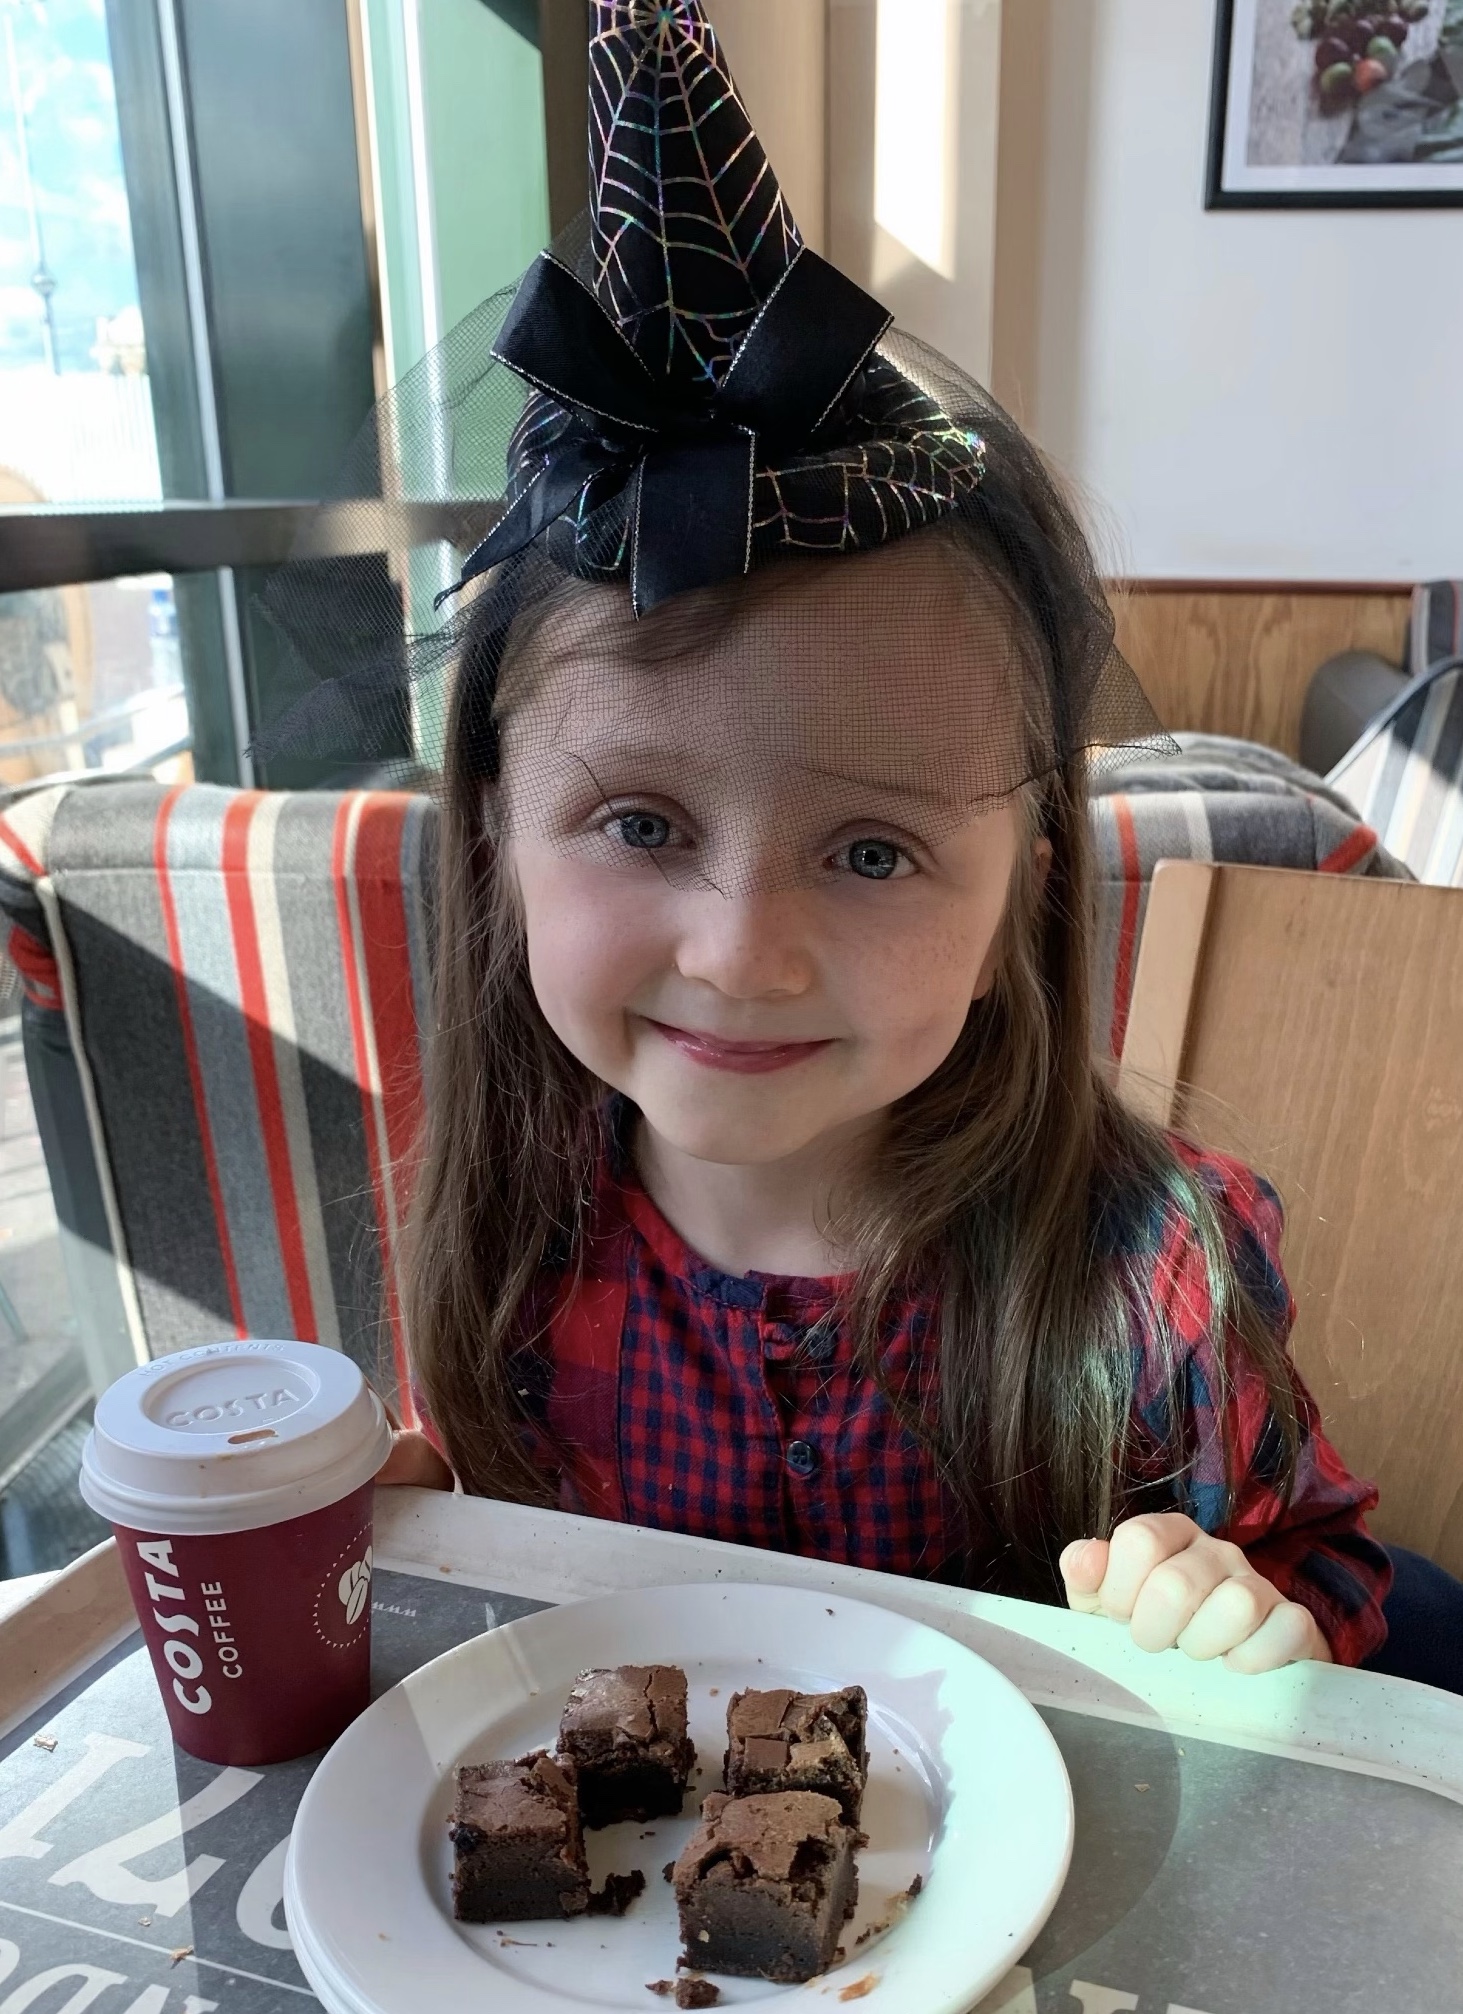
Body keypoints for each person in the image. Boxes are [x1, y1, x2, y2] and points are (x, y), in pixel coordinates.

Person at [277, 2, 1403, 1674]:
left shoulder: (1145, 1274)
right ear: (500, 839)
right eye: (641, 821)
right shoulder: (518, 1230)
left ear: (1016, 899)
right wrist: (415, 1514)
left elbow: (1327, 1573)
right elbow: (493, 1529)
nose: (743, 953)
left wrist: (1252, 1615)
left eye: (872, 851)